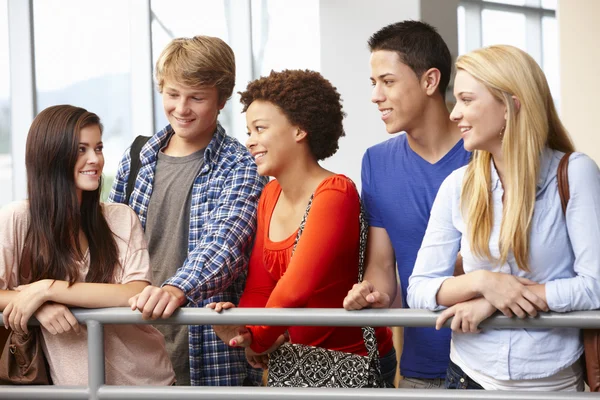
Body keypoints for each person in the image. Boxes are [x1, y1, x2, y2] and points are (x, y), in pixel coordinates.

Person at [407, 44, 600, 391]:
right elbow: (419, 288)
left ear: (511, 106)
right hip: (468, 377)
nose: (454, 114)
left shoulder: (576, 174)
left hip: (549, 382)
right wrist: (482, 283)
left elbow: (595, 286)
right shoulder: (458, 186)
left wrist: (492, 305)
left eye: (467, 100)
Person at [207, 69, 396, 386]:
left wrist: (257, 338)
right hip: (296, 364)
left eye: (260, 129)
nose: (250, 141)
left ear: (299, 130)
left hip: (352, 364)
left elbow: (295, 290)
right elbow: (260, 286)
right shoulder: (269, 194)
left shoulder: (335, 193)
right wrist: (244, 329)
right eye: (249, 131)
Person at [109, 36, 267, 386]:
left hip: (207, 353)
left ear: (222, 99)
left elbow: (225, 243)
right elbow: (107, 243)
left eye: (196, 97)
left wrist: (173, 289)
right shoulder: (138, 157)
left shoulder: (240, 165)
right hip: (133, 348)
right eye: (172, 94)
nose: (182, 108)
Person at [0, 105, 175, 386]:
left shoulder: (120, 217)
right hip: (78, 389)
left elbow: (135, 292)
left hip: (148, 382)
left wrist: (48, 289)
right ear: (52, 156)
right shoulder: (18, 218)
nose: (95, 159)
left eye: (99, 148)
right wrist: (38, 305)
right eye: (81, 149)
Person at [342, 21, 471, 388]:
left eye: (388, 81)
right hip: (420, 368)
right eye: (373, 84)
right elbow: (382, 264)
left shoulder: (487, 155)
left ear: (430, 81)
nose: (375, 95)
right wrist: (371, 292)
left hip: (490, 365)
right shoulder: (376, 162)